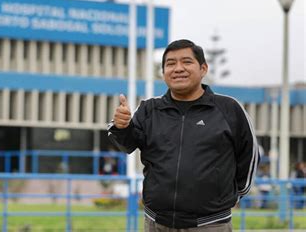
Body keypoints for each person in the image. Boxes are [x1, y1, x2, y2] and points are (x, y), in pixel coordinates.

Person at [107, 39, 260, 231]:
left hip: (211, 224)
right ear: (163, 72)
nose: (178, 68)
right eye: (170, 64)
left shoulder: (229, 109)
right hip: (157, 223)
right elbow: (127, 145)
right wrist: (122, 127)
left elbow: (249, 157)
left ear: (203, 69)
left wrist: (231, 196)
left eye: (186, 62)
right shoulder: (149, 109)